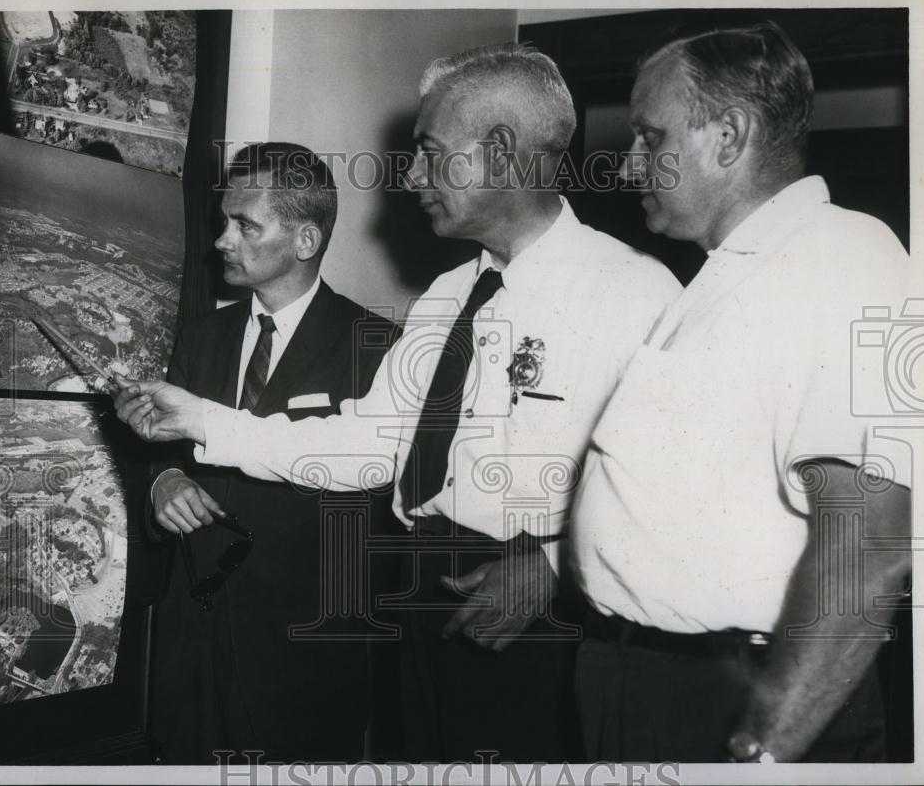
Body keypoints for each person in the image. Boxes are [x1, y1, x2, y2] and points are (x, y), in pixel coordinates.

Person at [116, 43, 682, 762]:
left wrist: (552, 565)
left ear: (500, 152)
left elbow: (676, 489)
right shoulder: (447, 298)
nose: (411, 174)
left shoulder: (634, 293)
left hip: (537, 613)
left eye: (429, 151)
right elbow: (368, 446)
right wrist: (202, 419)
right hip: (423, 595)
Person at [571, 22, 912, 762]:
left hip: (732, 694)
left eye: (649, 137)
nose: (630, 166)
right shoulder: (722, 275)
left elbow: (871, 539)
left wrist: (763, 747)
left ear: (729, 136)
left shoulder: (842, 255)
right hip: (645, 681)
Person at [138, 142, 397, 763]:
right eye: (224, 221)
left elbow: (376, 503)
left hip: (300, 656)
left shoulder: (377, 347)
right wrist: (163, 480)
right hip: (190, 646)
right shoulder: (202, 336)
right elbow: (157, 448)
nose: (222, 241)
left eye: (244, 225)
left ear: (305, 241)